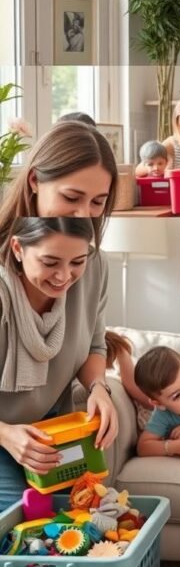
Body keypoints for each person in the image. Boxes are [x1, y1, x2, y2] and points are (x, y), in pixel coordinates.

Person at [0, 218, 118, 511]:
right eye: (50, 262)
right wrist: (5, 434)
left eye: (77, 261)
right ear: (17, 247)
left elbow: (94, 345)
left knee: (86, 510)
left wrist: (99, 389)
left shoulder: (95, 269)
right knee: (17, 520)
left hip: (53, 424)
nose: (63, 276)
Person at [0, 120, 118, 242]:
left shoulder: (96, 258)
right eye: (71, 197)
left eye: (97, 202)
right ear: (34, 180)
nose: (84, 215)